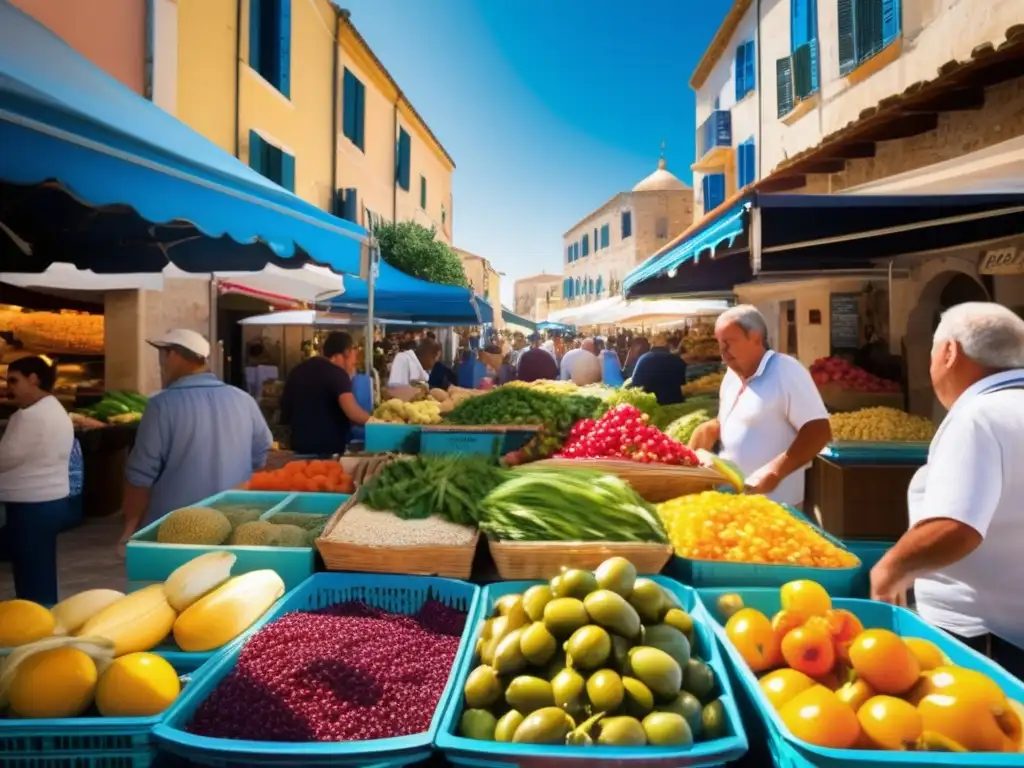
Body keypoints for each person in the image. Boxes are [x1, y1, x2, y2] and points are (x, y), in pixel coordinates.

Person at [871, 303, 1024, 674]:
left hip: (983, 641)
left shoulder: (978, 417)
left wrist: (891, 568)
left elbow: (956, 526)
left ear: (949, 352)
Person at [119, 330, 273, 551]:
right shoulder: (243, 400)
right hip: (234, 527)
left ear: (172, 355)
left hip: (175, 533)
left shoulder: (161, 406)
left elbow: (140, 476)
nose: (160, 363)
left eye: (162, 354)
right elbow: (261, 457)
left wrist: (129, 529)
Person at [688, 306, 831, 507]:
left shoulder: (786, 370)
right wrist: (710, 430)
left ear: (755, 338)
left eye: (729, 343)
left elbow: (818, 431)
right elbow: (734, 422)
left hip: (776, 505)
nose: (723, 352)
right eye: (719, 343)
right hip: (732, 500)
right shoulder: (731, 377)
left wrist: (774, 471)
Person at [0, 356, 75, 603]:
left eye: (14, 381)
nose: (9, 388)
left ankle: (37, 626)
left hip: (31, 504)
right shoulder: (55, 409)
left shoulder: (29, 417)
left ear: (33, 379)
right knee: (38, 568)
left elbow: (5, 458)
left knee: (31, 575)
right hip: (50, 502)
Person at [281, 331, 370, 456]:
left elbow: (285, 412)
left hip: (298, 448)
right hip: (328, 451)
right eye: (353, 361)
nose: (353, 365)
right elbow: (353, 413)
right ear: (347, 351)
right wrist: (380, 422)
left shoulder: (297, 371)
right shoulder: (338, 374)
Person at [631, 333, 688, 405]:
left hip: (650, 404)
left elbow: (635, 384)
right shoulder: (678, 360)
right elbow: (682, 382)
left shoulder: (643, 359)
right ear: (667, 345)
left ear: (652, 344)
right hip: (675, 402)